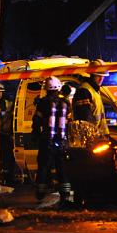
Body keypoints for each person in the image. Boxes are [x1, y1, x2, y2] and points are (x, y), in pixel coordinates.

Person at [31, 76, 74, 207]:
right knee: (62, 168)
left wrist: (36, 135)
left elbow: (36, 121)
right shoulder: (66, 103)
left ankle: (41, 192)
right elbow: (70, 123)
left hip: (47, 142)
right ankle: (65, 194)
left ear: (46, 88)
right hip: (62, 142)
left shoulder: (43, 102)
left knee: (43, 166)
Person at [72, 58, 110, 135]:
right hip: (90, 137)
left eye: (103, 76)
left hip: (99, 136)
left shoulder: (95, 90)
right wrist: (92, 136)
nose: (101, 79)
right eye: (98, 76)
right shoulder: (84, 91)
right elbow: (85, 119)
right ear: (92, 75)